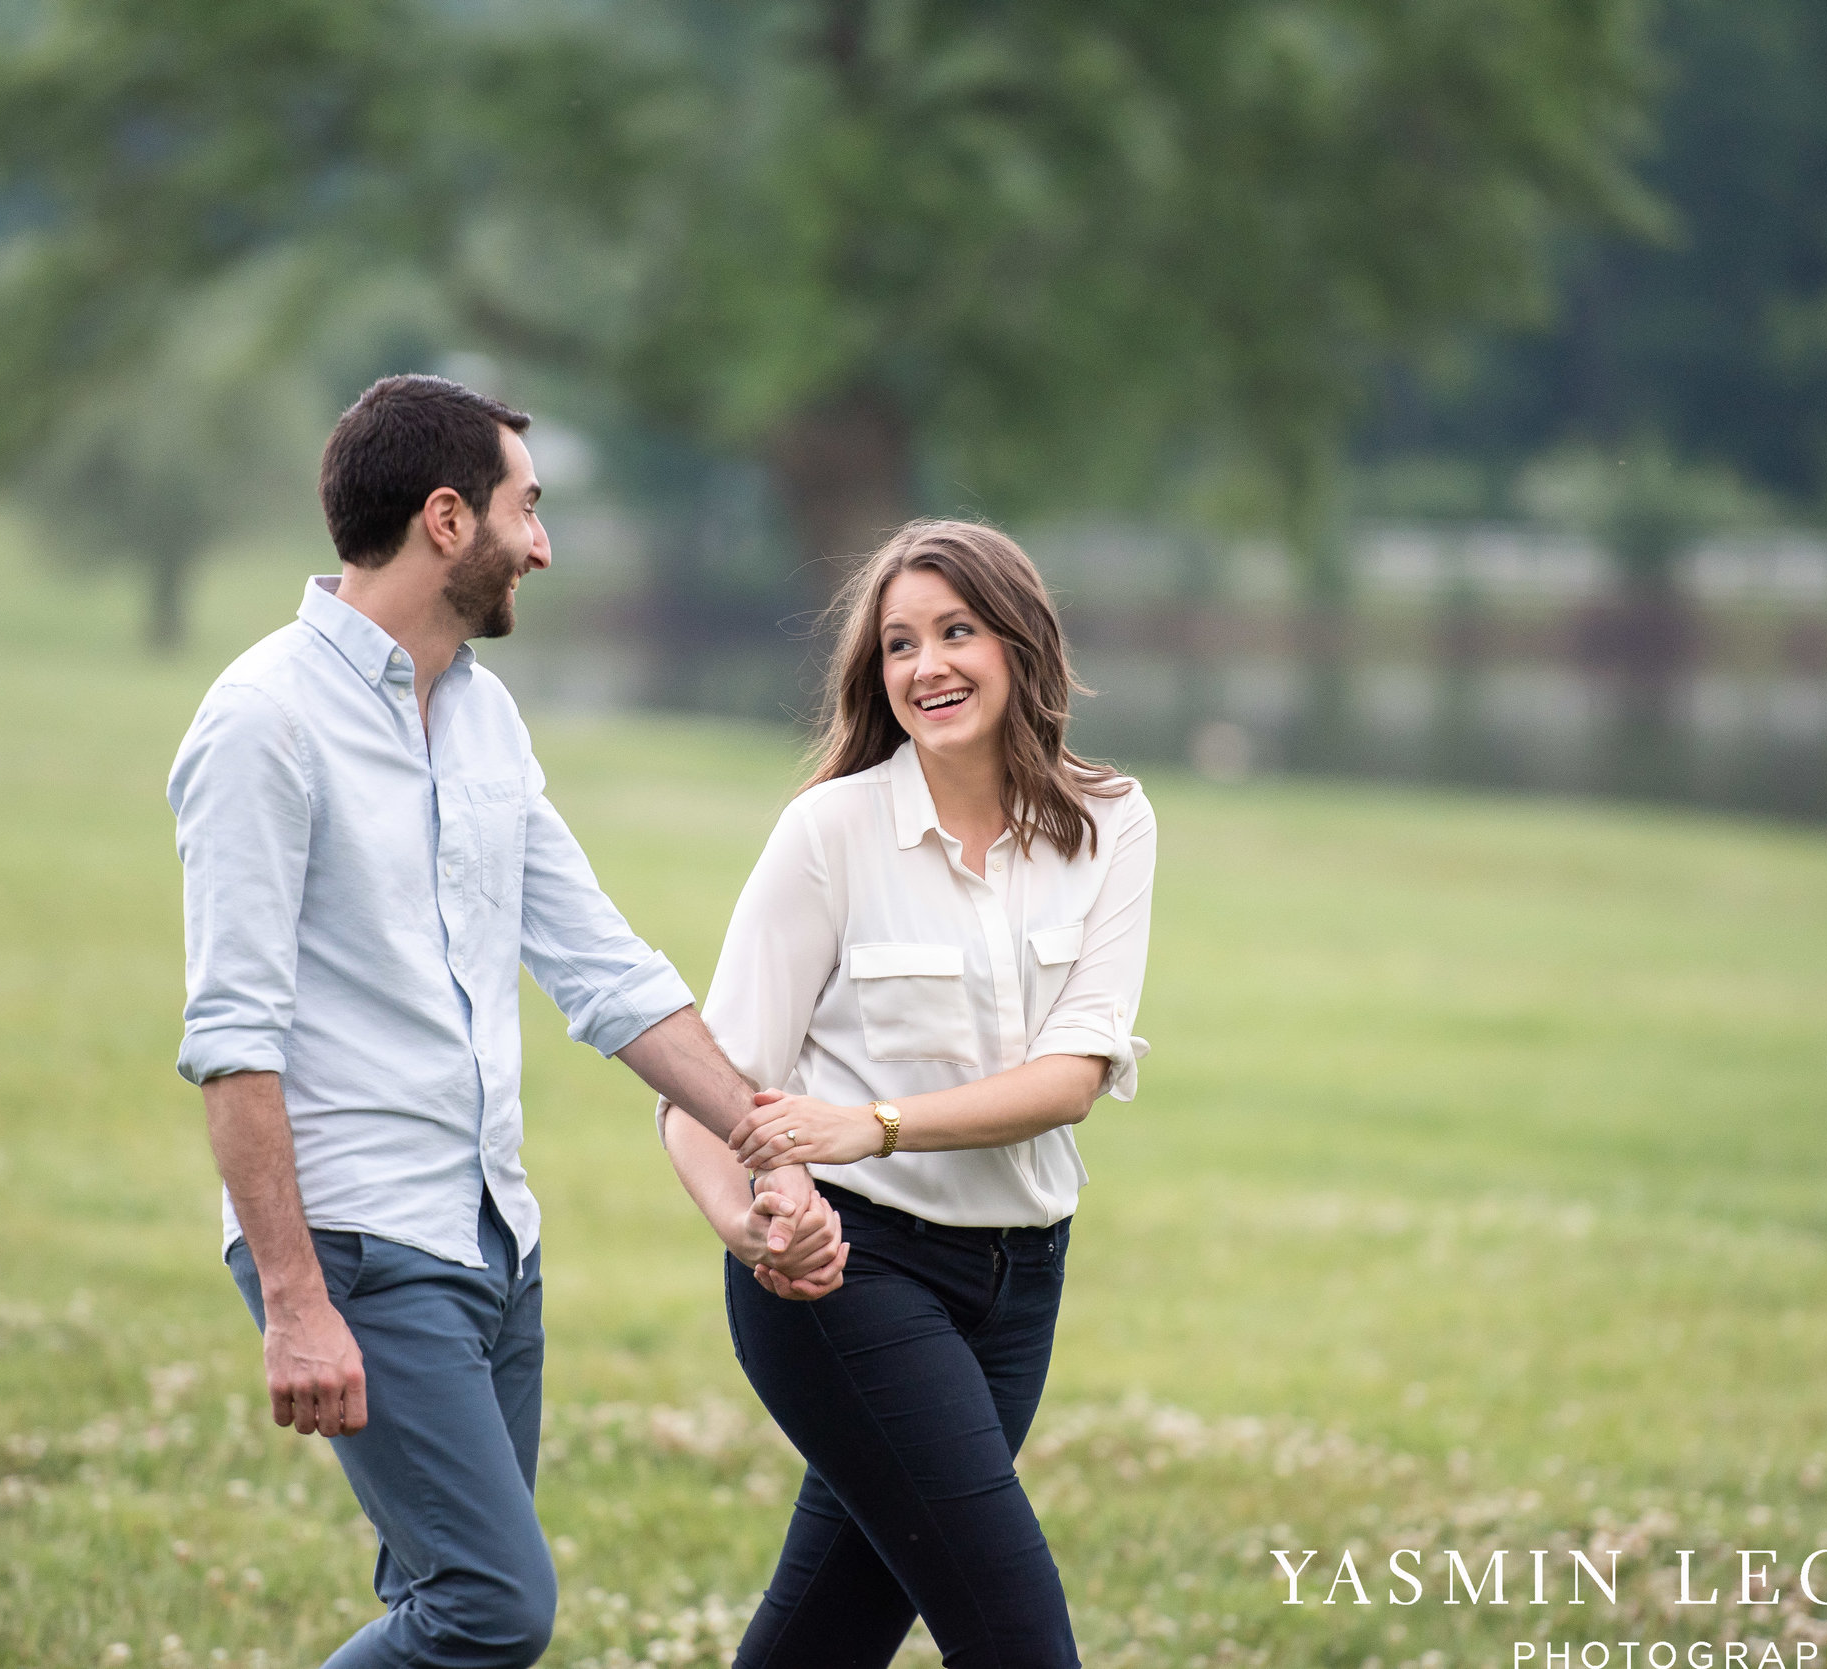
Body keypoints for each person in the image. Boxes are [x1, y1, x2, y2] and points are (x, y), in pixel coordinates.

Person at [167, 374, 848, 1669]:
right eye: (526, 509)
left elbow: (604, 969)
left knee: (443, 1599)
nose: (542, 543)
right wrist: (298, 1303)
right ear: (444, 519)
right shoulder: (264, 724)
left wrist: (766, 1140)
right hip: (361, 1237)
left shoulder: (480, 714)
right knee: (491, 1606)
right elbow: (233, 1035)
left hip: (491, 1235)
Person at [661, 520, 1157, 1668]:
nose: (926, 665)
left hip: (1020, 1279)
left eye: (955, 631)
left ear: (1021, 643)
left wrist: (867, 1123)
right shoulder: (829, 834)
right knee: (1018, 1637)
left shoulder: (1110, 821)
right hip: (852, 1273)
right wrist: (752, 1221)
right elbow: (702, 1093)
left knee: (828, 1638)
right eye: (898, 644)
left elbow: (1074, 1077)